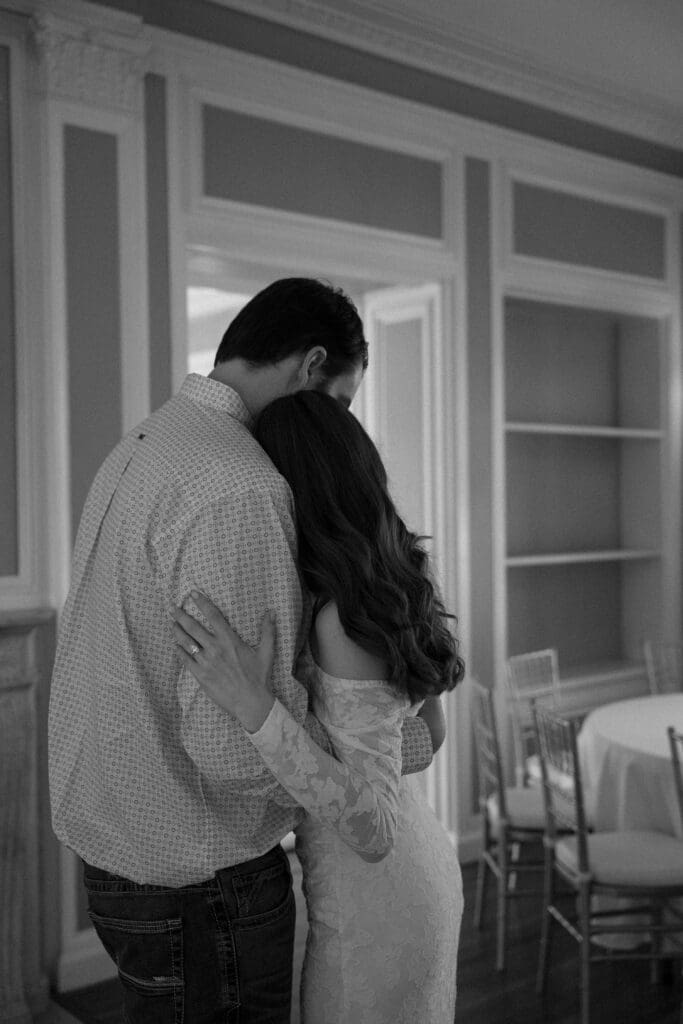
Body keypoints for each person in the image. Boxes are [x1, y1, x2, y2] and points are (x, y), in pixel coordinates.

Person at [48, 277, 436, 1024]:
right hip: (202, 881)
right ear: (311, 364)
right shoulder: (242, 489)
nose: (338, 427)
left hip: (118, 853)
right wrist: (401, 743)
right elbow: (231, 751)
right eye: (342, 401)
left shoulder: (140, 446)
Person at [173, 389, 465, 1023]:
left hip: (377, 905)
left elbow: (373, 828)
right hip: (421, 873)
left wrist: (257, 708)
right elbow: (429, 732)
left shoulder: (339, 620)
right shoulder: (387, 579)